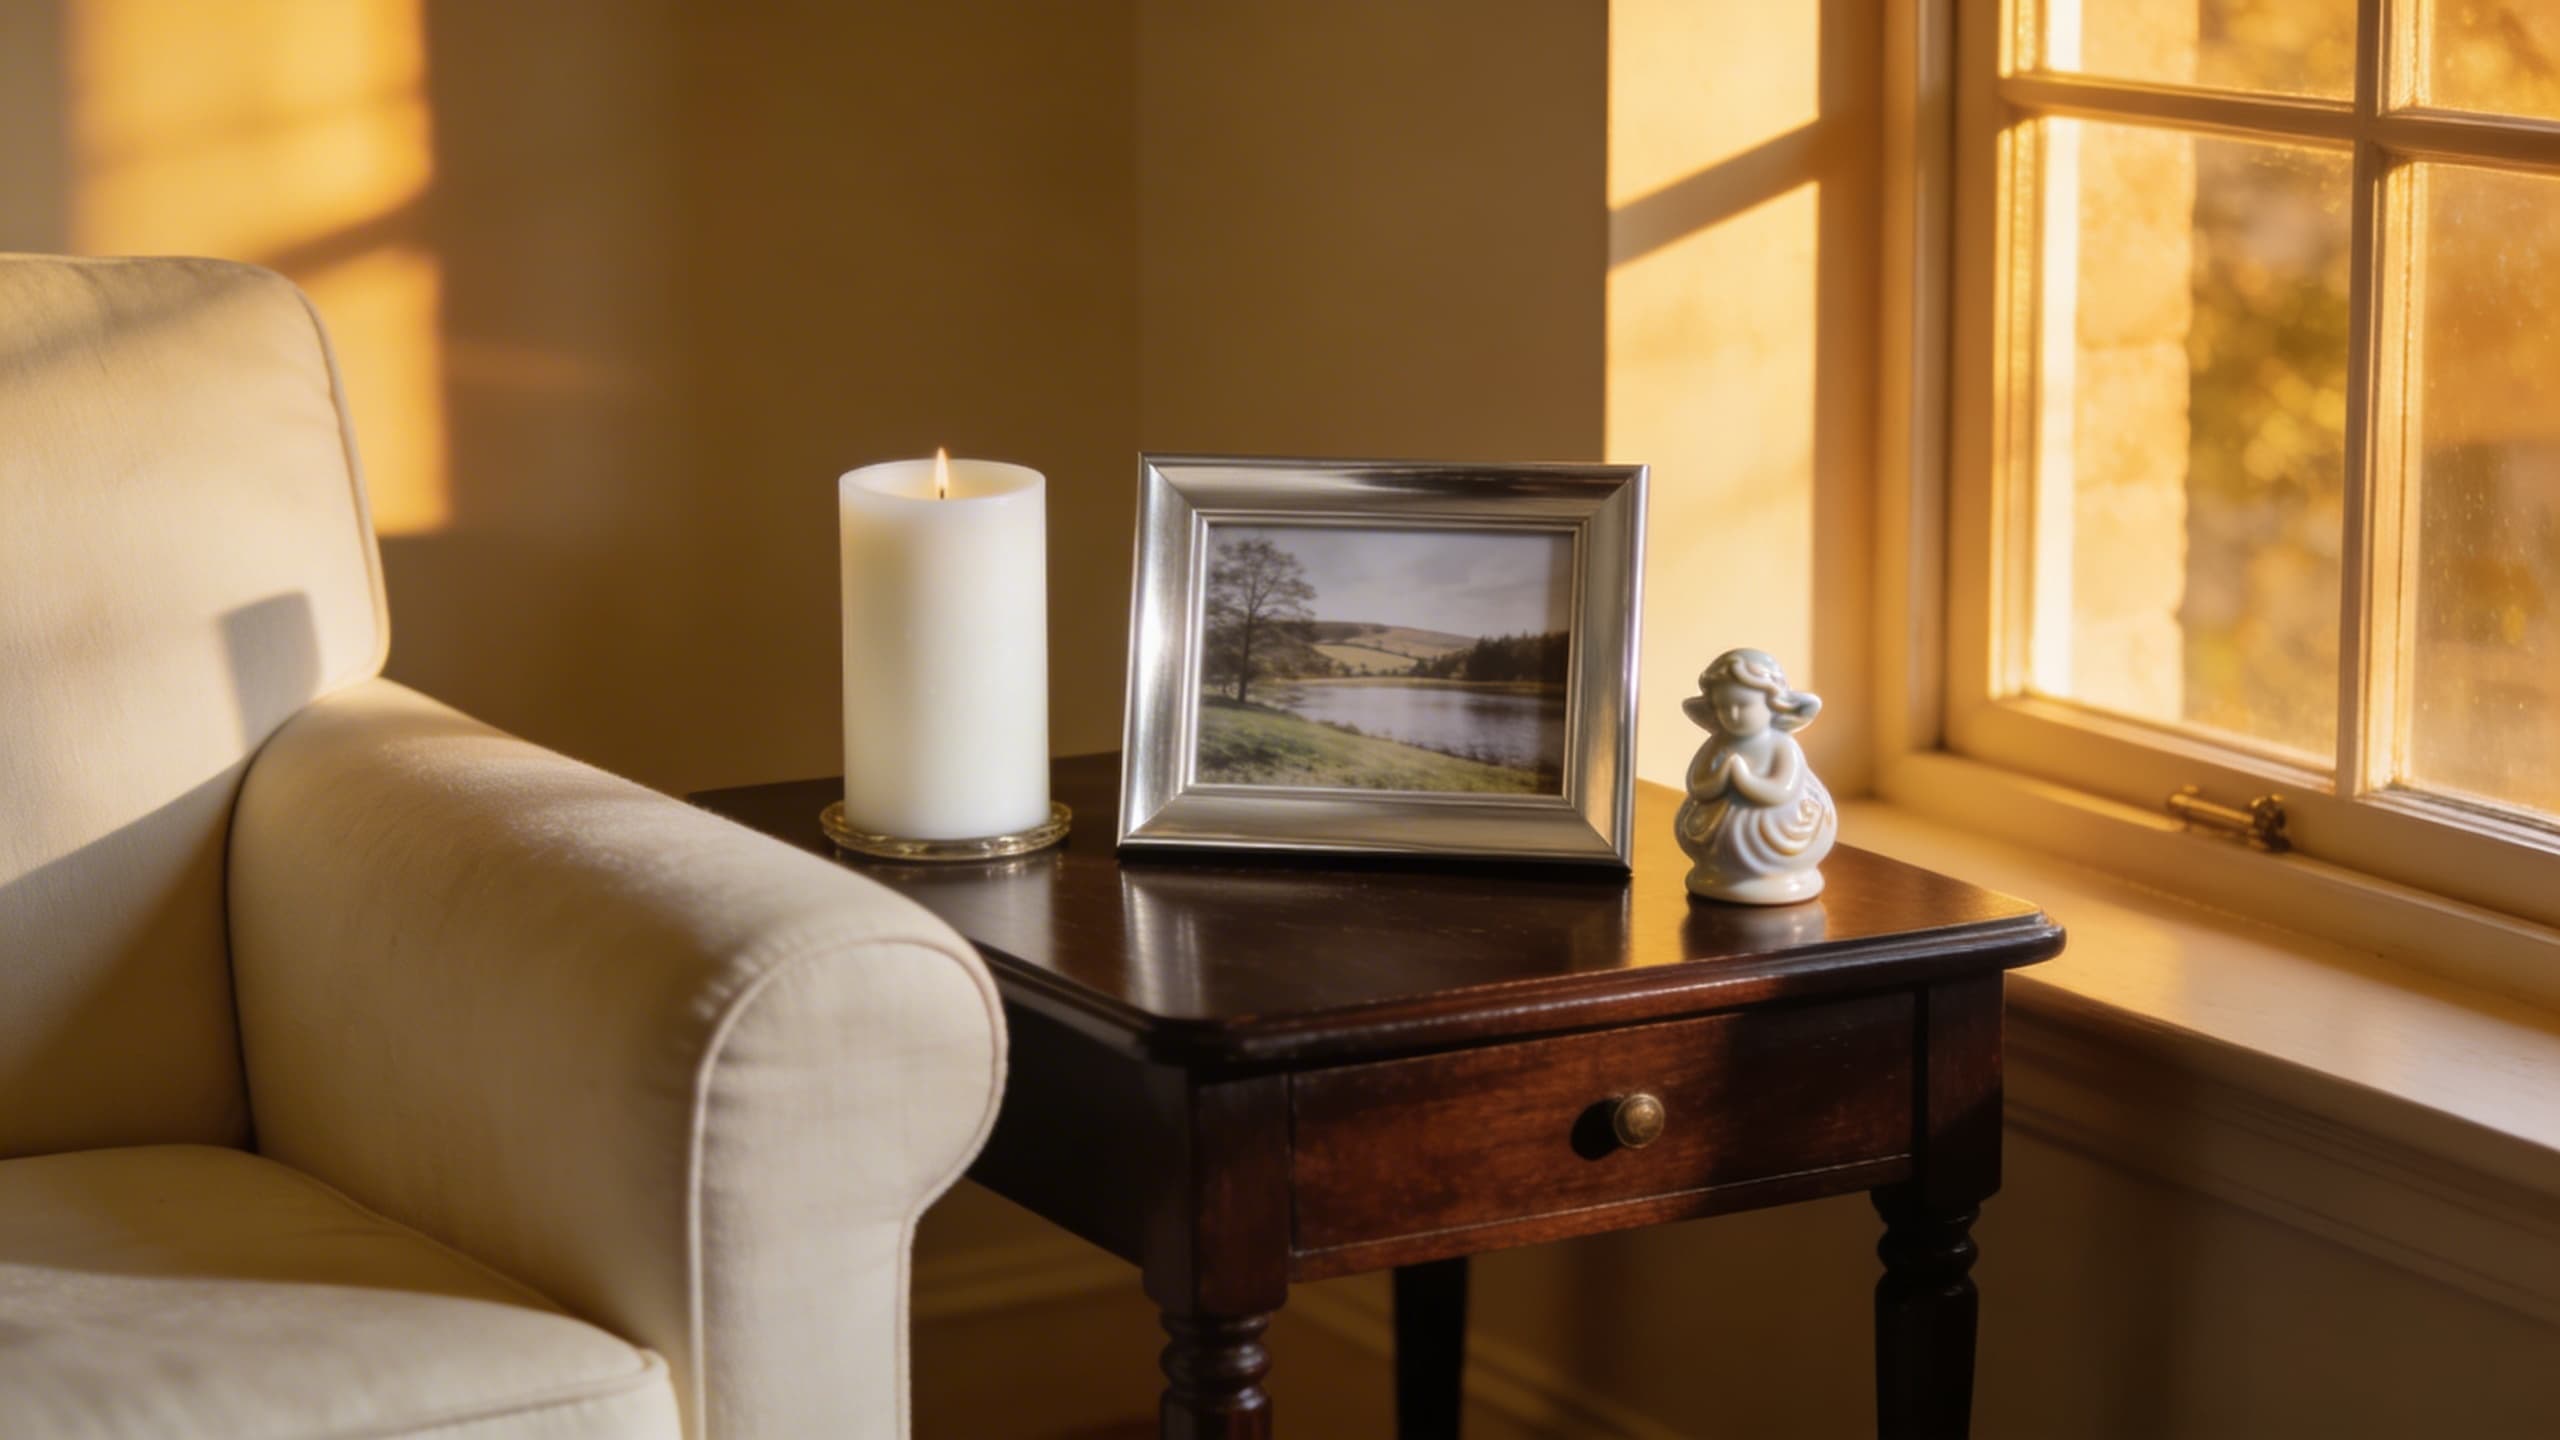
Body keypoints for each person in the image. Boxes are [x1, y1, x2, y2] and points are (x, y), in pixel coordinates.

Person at [1676, 648, 1836, 903]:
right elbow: (1697, 785)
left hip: (1775, 825)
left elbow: (1782, 790)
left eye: (1743, 705)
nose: (1733, 715)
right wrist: (1720, 779)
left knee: (1787, 830)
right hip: (1717, 825)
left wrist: (1744, 780)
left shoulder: (1782, 745)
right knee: (1698, 824)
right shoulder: (1718, 744)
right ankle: (1717, 872)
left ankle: (1782, 873)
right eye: (1723, 707)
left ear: (1773, 705)